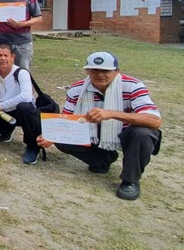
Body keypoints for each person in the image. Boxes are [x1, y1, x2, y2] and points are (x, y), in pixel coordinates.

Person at [37, 52, 162, 201]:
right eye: (94, 70)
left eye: (106, 71)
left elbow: (154, 120)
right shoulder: (77, 89)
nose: (100, 75)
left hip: (126, 132)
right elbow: (67, 120)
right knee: (62, 139)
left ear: (117, 71)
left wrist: (111, 114)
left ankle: (130, 180)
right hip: (95, 132)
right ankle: (103, 159)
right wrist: (51, 136)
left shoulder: (132, 86)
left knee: (142, 133)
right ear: (87, 71)